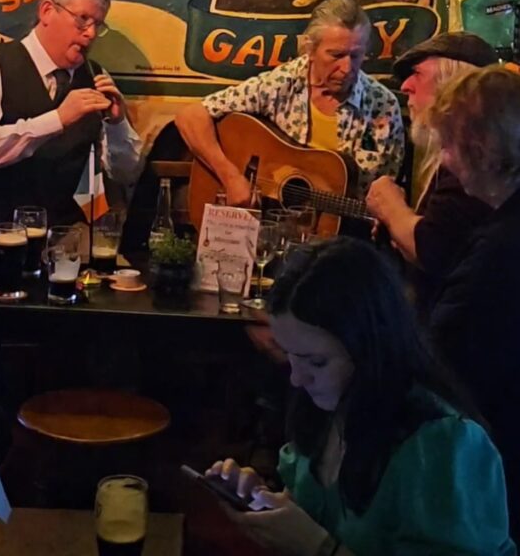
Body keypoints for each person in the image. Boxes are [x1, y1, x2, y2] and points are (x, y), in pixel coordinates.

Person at [207, 237, 515, 556]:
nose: (297, 379)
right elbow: (318, 515)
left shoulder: (444, 445)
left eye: (316, 362)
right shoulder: (329, 409)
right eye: (289, 355)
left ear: (372, 347)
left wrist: (319, 547)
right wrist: (266, 502)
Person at [0, 0, 142, 294]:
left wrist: (116, 125)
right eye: (82, 20)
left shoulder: (96, 76)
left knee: (121, 293)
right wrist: (56, 119)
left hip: (60, 232)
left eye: (98, 24)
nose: (90, 33)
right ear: (47, 11)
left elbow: (126, 172)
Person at [176, 0, 404, 206]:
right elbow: (190, 117)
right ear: (310, 50)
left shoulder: (382, 106)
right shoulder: (280, 84)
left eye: (356, 56)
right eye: (336, 55)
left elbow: (387, 193)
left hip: (342, 232)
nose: (346, 68)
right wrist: (231, 177)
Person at [425, 65, 520, 540]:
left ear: (481, 150)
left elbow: (444, 363)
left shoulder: (499, 252)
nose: (444, 162)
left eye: (447, 145)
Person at [366, 31, 497, 299]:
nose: (405, 86)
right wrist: (399, 226)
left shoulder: (471, 160)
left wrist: (390, 205)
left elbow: (432, 249)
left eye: (417, 73)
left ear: (452, 83)